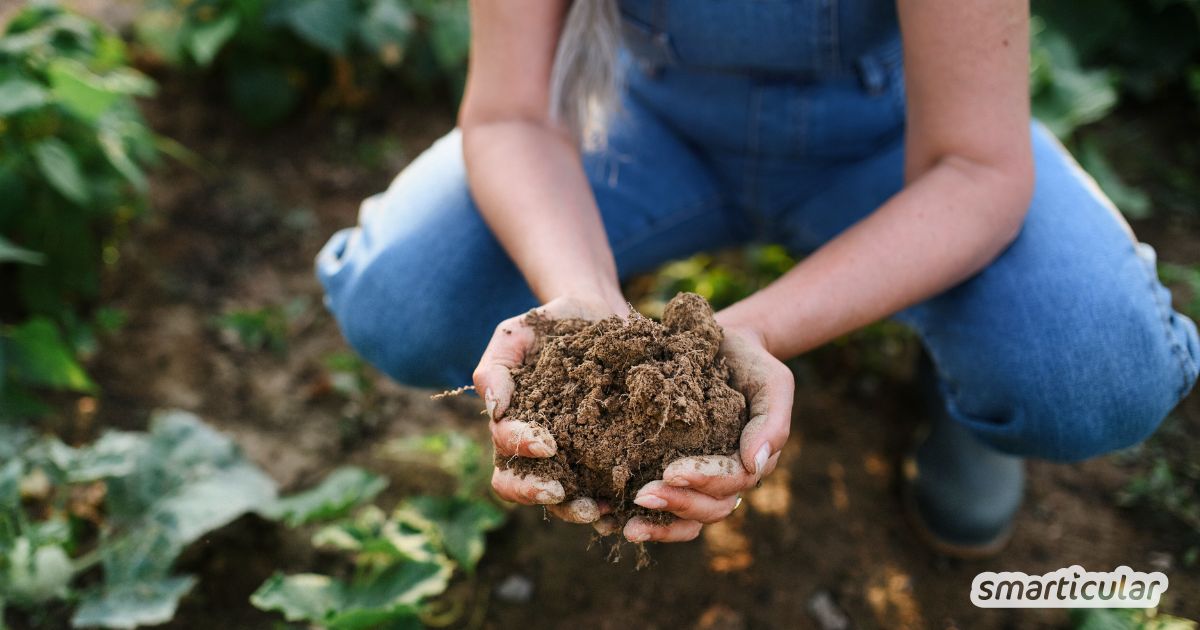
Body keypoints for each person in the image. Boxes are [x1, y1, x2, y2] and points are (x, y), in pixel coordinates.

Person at [316, 0, 1199, 555]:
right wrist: (584, 312)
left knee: (1093, 372)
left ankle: (967, 389)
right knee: (408, 301)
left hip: (900, 144)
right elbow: (511, 112)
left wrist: (749, 334)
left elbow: (975, 166)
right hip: (641, 122)